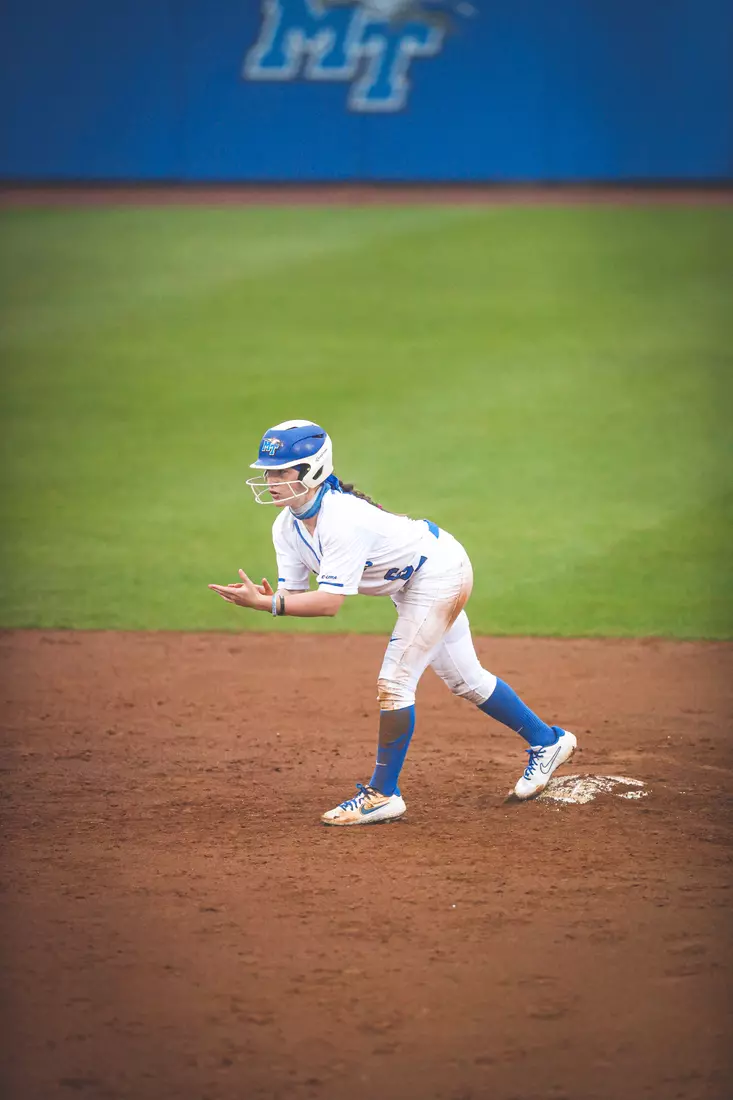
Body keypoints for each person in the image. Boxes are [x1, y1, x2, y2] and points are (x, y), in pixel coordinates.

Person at [208, 421, 577, 825]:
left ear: (312, 470)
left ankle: (383, 794)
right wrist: (268, 599)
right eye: (268, 471)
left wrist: (268, 605)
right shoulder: (287, 526)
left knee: (395, 682)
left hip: (439, 572)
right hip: (415, 580)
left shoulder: (342, 520)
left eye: (282, 471)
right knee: (466, 681)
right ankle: (548, 741)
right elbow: (294, 595)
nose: (271, 480)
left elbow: (329, 604)